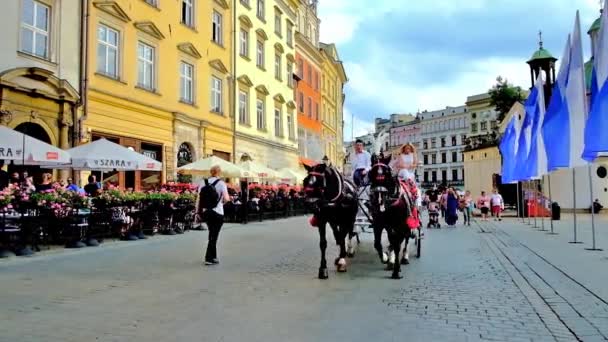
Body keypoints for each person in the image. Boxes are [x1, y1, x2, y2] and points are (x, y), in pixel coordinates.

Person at [196, 165, 230, 266]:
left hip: (206, 212)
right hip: (218, 212)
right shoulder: (221, 183)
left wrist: (198, 212)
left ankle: (214, 256)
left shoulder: (203, 182)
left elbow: (199, 198)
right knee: (214, 236)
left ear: (211, 172)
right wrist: (223, 202)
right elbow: (227, 198)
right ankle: (208, 258)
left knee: (212, 233)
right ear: (219, 172)